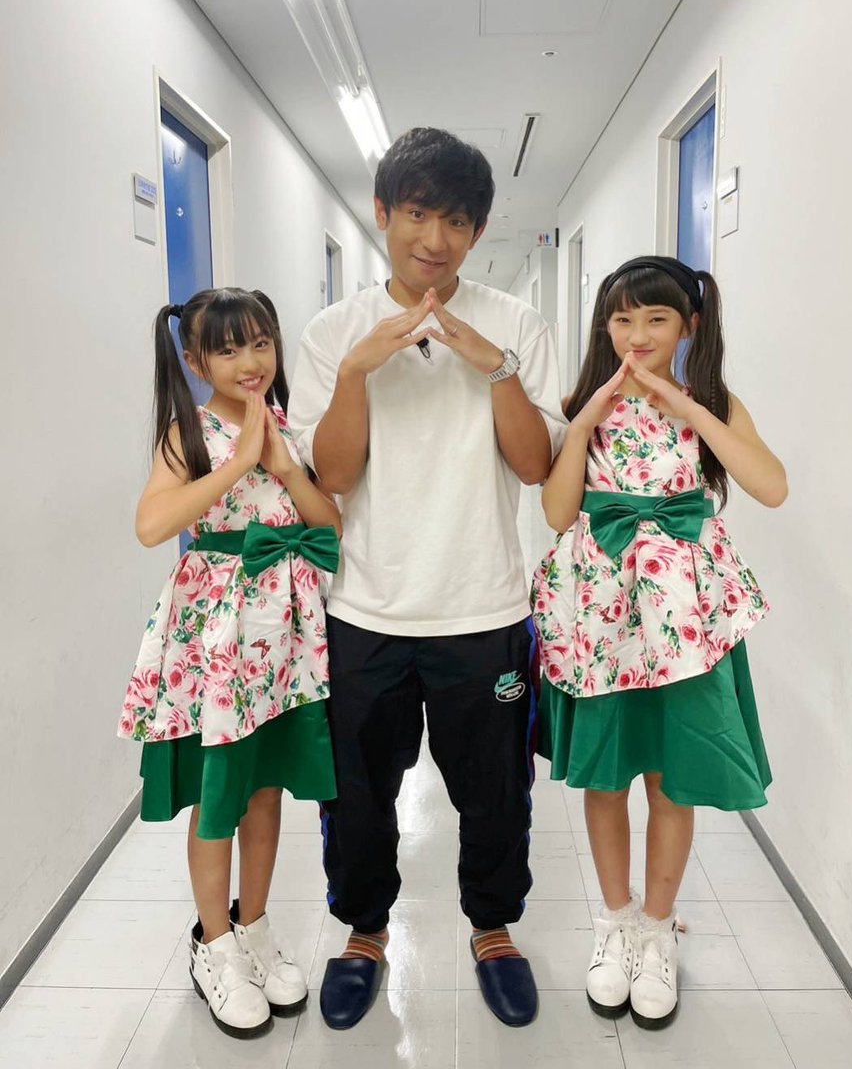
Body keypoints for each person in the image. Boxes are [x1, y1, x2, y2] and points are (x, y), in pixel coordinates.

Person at [288, 127, 567, 1030]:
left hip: (483, 607)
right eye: (417, 213)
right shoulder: (333, 333)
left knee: (496, 789)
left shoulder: (515, 324)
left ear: (478, 230)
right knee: (357, 792)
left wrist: (496, 367)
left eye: (456, 221)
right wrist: (357, 373)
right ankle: (364, 932)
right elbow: (333, 476)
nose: (435, 239)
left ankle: (493, 928)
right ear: (382, 213)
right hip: (364, 608)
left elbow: (536, 467)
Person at [532, 255, 787, 1029]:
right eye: (622, 319)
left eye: (656, 319)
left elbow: (771, 486)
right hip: (600, 614)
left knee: (671, 780)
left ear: (688, 326)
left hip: (685, 621)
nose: (637, 335)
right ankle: (614, 924)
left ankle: (657, 929)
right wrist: (584, 421)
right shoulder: (582, 404)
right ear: (604, 326)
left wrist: (686, 406)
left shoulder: (713, 402)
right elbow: (556, 513)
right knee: (607, 775)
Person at [118, 287, 341, 1039]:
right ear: (195, 360)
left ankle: (255, 925)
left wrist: (283, 465)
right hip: (217, 638)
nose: (250, 362)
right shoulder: (189, 431)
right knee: (220, 796)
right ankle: (213, 945)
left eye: (261, 343)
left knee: (266, 789)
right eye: (228, 349)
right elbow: (153, 524)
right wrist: (239, 461)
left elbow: (327, 525)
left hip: (282, 637)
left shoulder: (288, 425)